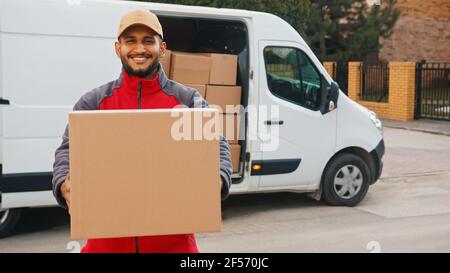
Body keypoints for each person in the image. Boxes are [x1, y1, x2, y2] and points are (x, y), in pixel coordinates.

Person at [52, 9, 232, 253]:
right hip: (106, 245)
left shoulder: (187, 101)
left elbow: (217, 146)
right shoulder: (93, 103)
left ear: (163, 48)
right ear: (118, 48)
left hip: (174, 245)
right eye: (131, 41)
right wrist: (63, 182)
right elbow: (66, 151)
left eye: (148, 41)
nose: (140, 49)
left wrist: (217, 179)